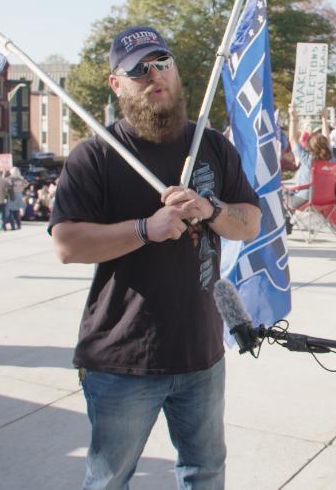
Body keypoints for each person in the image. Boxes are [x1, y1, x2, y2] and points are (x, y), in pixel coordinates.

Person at [49, 25, 260, 490]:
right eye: (137, 70)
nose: (153, 75)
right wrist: (147, 229)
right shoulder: (97, 156)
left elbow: (250, 222)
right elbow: (66, 244)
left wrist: (211, 209)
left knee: (205, 473)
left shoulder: (212, 145)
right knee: (109, 481)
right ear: (116, 84)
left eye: (161, 62)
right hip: (122, 359)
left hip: (201, 354)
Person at [284, 106, 332, 208]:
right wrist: (324, 118)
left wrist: (293, 117)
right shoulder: (330, 159)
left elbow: (292, 139)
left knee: (280, 194)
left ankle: (287, 223)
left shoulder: (309, 160)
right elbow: (326, 139)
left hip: (305, 199)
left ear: (310, 146)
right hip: (326, 198)